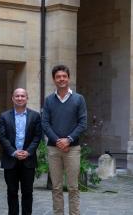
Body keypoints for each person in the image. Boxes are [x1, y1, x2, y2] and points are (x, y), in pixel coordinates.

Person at [42, 65, 87, 215]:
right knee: (56, 187)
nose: (61, 79)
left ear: (68, 78)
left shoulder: (78, 99)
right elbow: (45, 123)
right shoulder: (49, 100)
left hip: (72, 149)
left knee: (73, 187)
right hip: (54, 149)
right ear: (54, 79)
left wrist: (68, 140)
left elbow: (82, 123)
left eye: (64, 76)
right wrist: (58, 141)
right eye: (58, 77)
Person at [0, 88, 42, 215]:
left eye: (23, 96)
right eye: (17, 96)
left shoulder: (35, 116)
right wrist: (13, 152)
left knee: (27, 192)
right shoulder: (4, 116)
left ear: (27, 98)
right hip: (10, 159)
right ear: (12, 98)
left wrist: (28, 152)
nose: (20, 98)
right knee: (11, 192)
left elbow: (37, 136)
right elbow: (2, 136)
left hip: (28, 160)